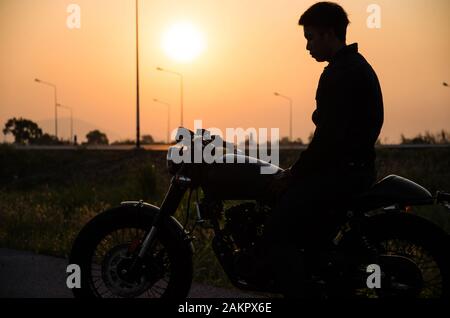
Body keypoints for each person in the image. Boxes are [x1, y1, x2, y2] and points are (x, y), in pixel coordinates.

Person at [264, 2, 384, 297]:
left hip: (339, 175)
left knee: (276, 233)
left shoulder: (339, 74)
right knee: (307, 235)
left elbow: (327, 140)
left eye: (310, 37)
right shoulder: (358, 66)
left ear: (329, 34)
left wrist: (294, 173)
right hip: (355, 170)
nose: (307, 46)